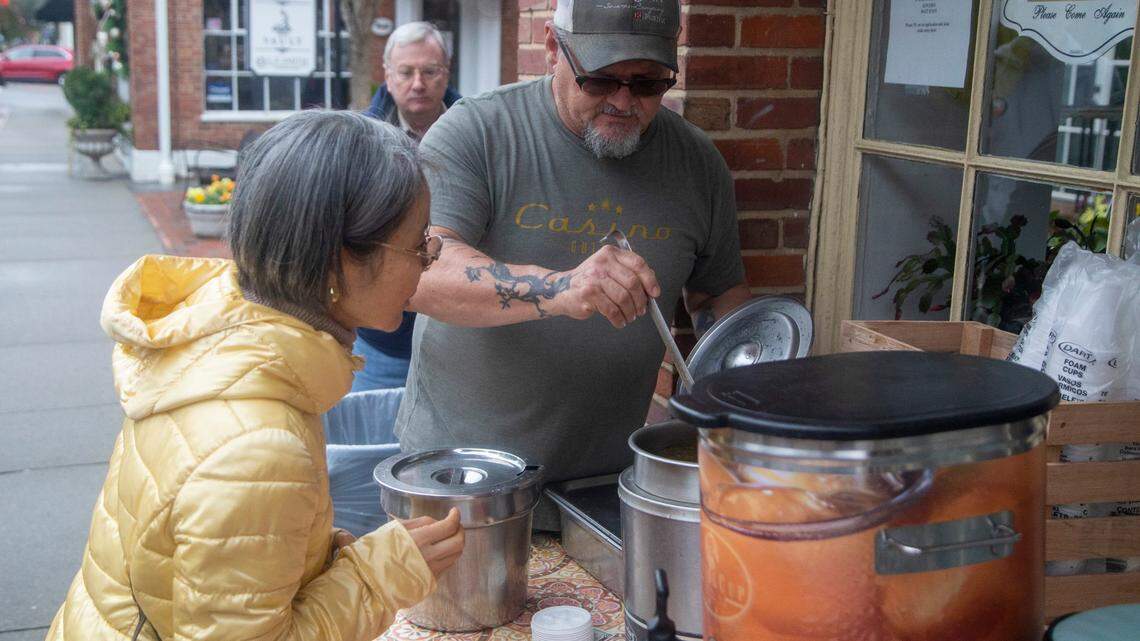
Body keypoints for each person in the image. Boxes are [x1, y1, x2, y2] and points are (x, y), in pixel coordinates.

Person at [46, 111, 463, 641]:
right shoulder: (258, 445)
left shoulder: (225, 343)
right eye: (418, 243)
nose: (430, 259)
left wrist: (322, 555)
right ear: (340, 259)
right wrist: (380, 574)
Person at [395, 0, 751, 521]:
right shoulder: (478, 131)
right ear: (550, 49)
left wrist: (749, 367)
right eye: (601, 80)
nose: (624, 101)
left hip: (610, 485)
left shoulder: (697, 163)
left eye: (649, 83)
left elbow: (717, 295)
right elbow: (419, 274)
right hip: (462, 478)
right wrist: (560, 289)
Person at [356, 21, 461, 391]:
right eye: (406, 72)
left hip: (460, 339)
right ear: (387, 75)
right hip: (384, 342)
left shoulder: (478, 134)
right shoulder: (360, 143)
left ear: (446, 73)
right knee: (375, 447)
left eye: (430, 71)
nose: (418, 83)